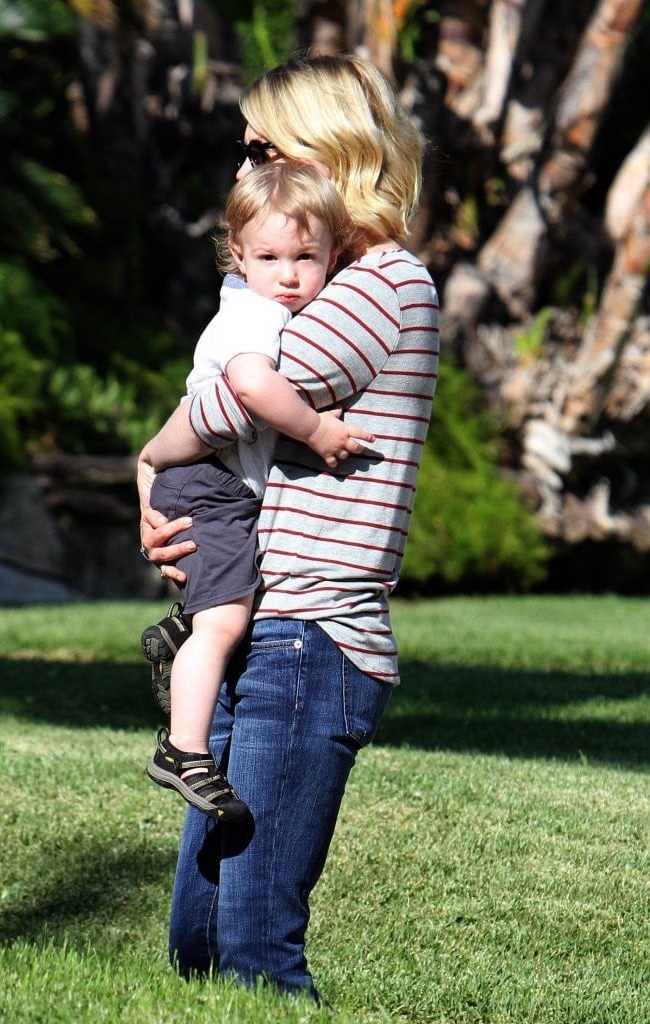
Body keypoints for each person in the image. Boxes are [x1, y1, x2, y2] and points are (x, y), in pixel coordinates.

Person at [138, 51, 440, 1002]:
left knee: (253, 949)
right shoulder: (303, 285)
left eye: (260, 147)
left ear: (326, 150)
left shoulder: (376, 285)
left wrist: (146, 462)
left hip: (312, 637)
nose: (242, 171)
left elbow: (228, 405)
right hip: (258, 624)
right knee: (196, 947)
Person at [139, 162, 369, 822]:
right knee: (227, 623)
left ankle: (181, 630)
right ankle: (183, 750)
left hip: (214, 487)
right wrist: (315, 429)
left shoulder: (265, 303)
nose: (290, 274)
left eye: (307, 256)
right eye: (269, 257)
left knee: (222, 613)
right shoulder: (252, 313)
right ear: (237, 256)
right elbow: (249, 387)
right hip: (207, 485)